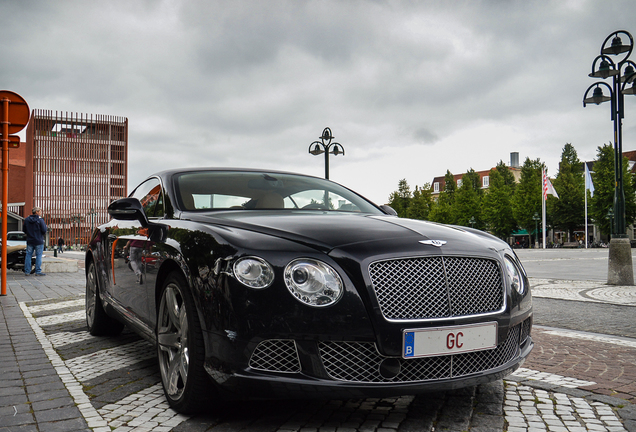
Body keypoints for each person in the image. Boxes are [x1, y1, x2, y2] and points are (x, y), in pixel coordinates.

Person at [23, 206, 48, 276]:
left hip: (30, 240)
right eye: (40, 211)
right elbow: (44, 230)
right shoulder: (40, 220)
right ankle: (38, 271)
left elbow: (24, 230)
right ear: (36, 212)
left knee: (28, 255)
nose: (40, 213)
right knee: (39, 256)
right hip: (38, 241)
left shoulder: (27, 220)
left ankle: (27, 271)